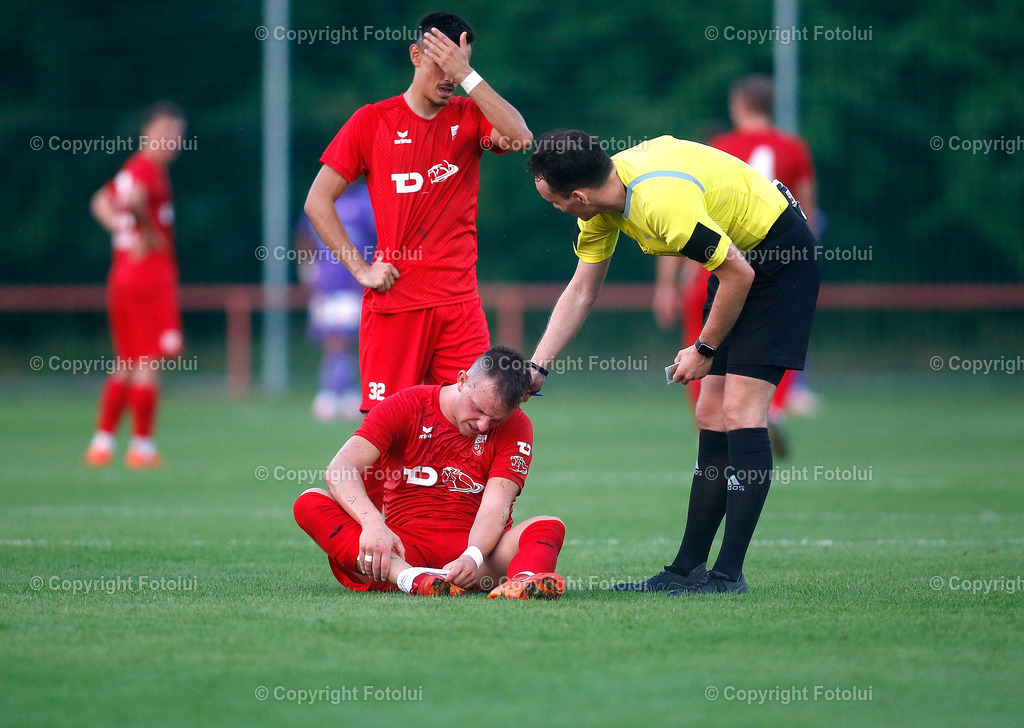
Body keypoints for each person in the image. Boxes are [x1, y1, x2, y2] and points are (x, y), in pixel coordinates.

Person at [526, 130, 820, 595]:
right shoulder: (602, 205)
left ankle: (727, 577)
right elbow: (582, 289)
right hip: (739, 265)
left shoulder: (662, 204)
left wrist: (703, 349)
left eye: (554, 201)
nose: (555, 209)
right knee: (709, 411)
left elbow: (739, 275)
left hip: (778, 261)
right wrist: (538, 366)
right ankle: (686, 570)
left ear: (577, 195)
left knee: (741, 410)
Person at [304, 10, 532, 508]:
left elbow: (521, 138)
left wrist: (470, 76)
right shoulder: (372, 121)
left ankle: (461, 538)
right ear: (415, 56)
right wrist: (361, 269)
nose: (450, 79)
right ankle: (372, 541)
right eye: (442, 66)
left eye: (460, 67)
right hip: (396, 306)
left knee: (481, 420)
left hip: (458, 305)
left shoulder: (470, 117)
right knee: (384, 436)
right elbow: (317, 201)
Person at [293, 346, 566, 599]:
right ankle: (410, 578)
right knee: (310, 501)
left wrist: (471, 557)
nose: (483, 426)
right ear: (462, 380)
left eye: (495, 419)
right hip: (400, 553)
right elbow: (340, 469)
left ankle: (525, 581)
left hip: (478, 563)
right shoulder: (407, 404)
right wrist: (373, 524)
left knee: (548, 526)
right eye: (479, 410)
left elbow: (497, 505)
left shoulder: (518, 426)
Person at [653, 75, 820, 453]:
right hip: (779, 262)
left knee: (700, 349)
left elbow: (683, 215)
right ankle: (769, 408)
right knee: (772, 343)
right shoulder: (794, 148)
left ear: (739, 105)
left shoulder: (719, 146)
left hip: (717, 265)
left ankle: (709, 432)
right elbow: (806, 215)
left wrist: (668, 283)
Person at [84, 102, 187, 468]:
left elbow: (101, 200)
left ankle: (102, 443)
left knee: (126, 360)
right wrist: (145, 231)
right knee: (148, 359)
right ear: (146, 132)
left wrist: (118, 227)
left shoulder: (132, 168)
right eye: (165, 133)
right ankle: (141, 448)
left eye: (177, 134)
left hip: (122, 274)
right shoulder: (147, 170)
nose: (173, 140)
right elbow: (136, 199)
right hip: (148, 277)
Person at [294, 182, 376, 422]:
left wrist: (369, 270)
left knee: (350, 337)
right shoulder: (321, 198)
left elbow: (377, 237)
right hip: (326, 283)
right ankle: (333, 391)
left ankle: (342, 391)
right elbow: (304, 237)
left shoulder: (364, 202)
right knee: (331, 338)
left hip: (354, 281)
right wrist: (307, 270)